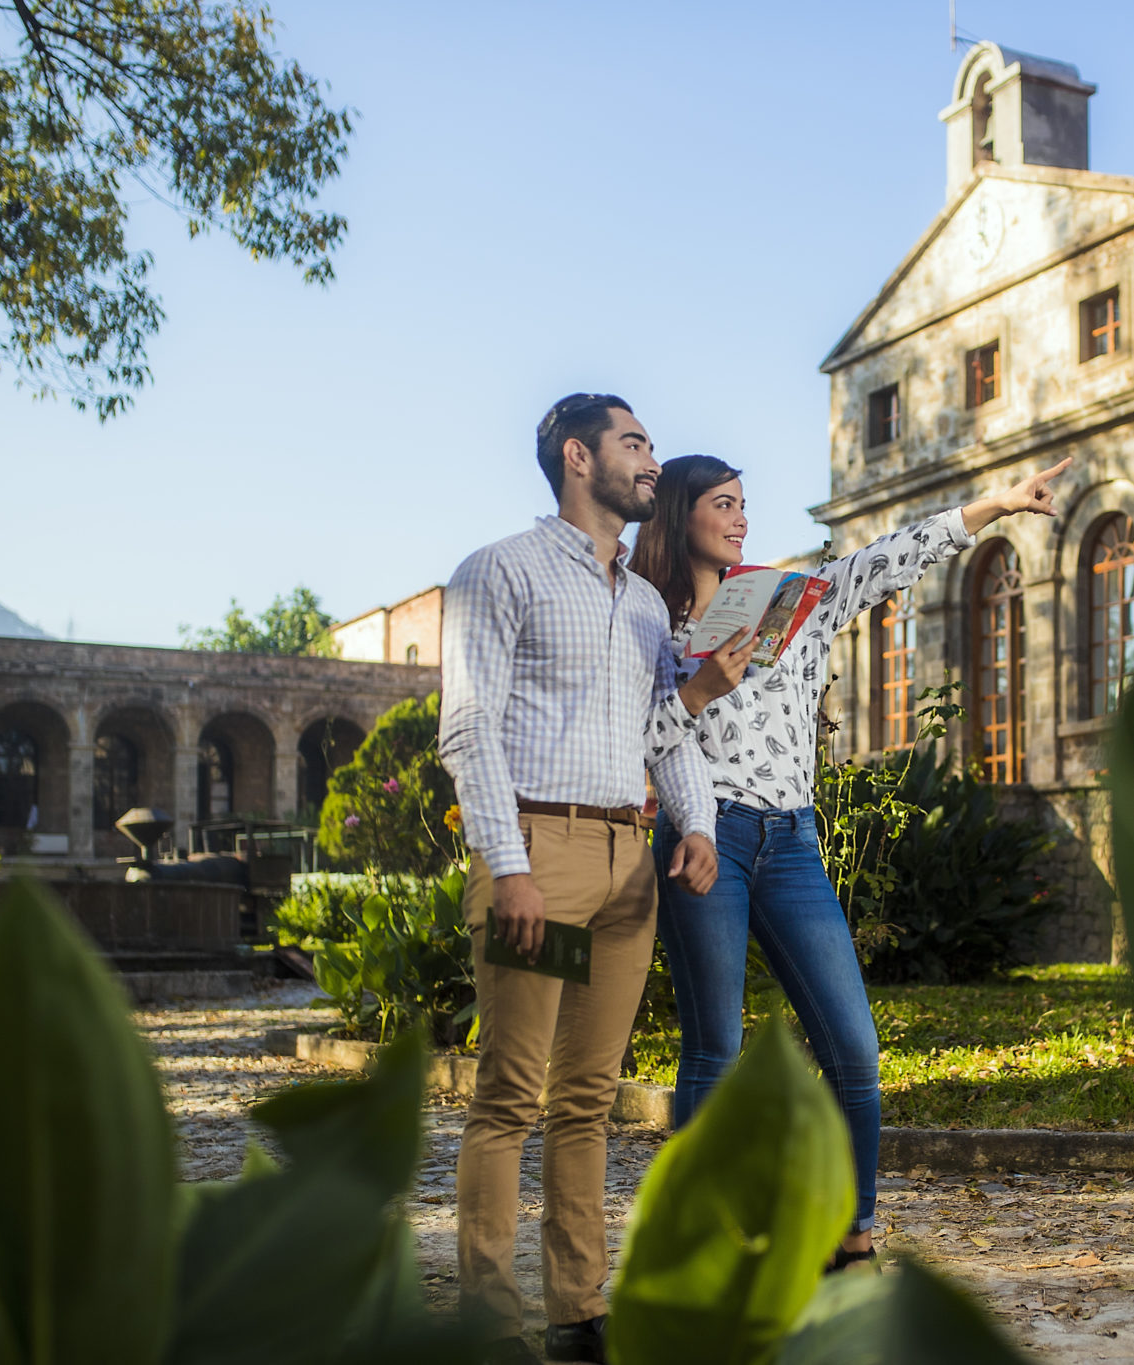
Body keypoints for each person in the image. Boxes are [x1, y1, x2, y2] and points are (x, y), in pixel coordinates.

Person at [629, 452, 1070, 1269]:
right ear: (681, 513)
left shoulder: (794, 605)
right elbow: (640, 737)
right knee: (714, 1049)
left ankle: (853, 1231)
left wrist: (998, 505)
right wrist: (696, 691)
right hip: (704, 833)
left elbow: (892, 556)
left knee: (855, 1049)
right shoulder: (652, 625)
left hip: (792, 841)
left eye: (743, 504)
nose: (739, 518)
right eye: (722, 503)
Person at [439, 394, 722, 1365]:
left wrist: (698, 824)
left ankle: (574, 1313)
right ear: (577, 457)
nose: (651, 462)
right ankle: (490, 1318)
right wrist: (509, 868)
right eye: (633, 444)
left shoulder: (643, 603)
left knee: (587, 1100)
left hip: (624, 872)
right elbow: (468, 728)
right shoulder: (498, 573)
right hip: (541, 860)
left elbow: (662, 728)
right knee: (511, 1096)